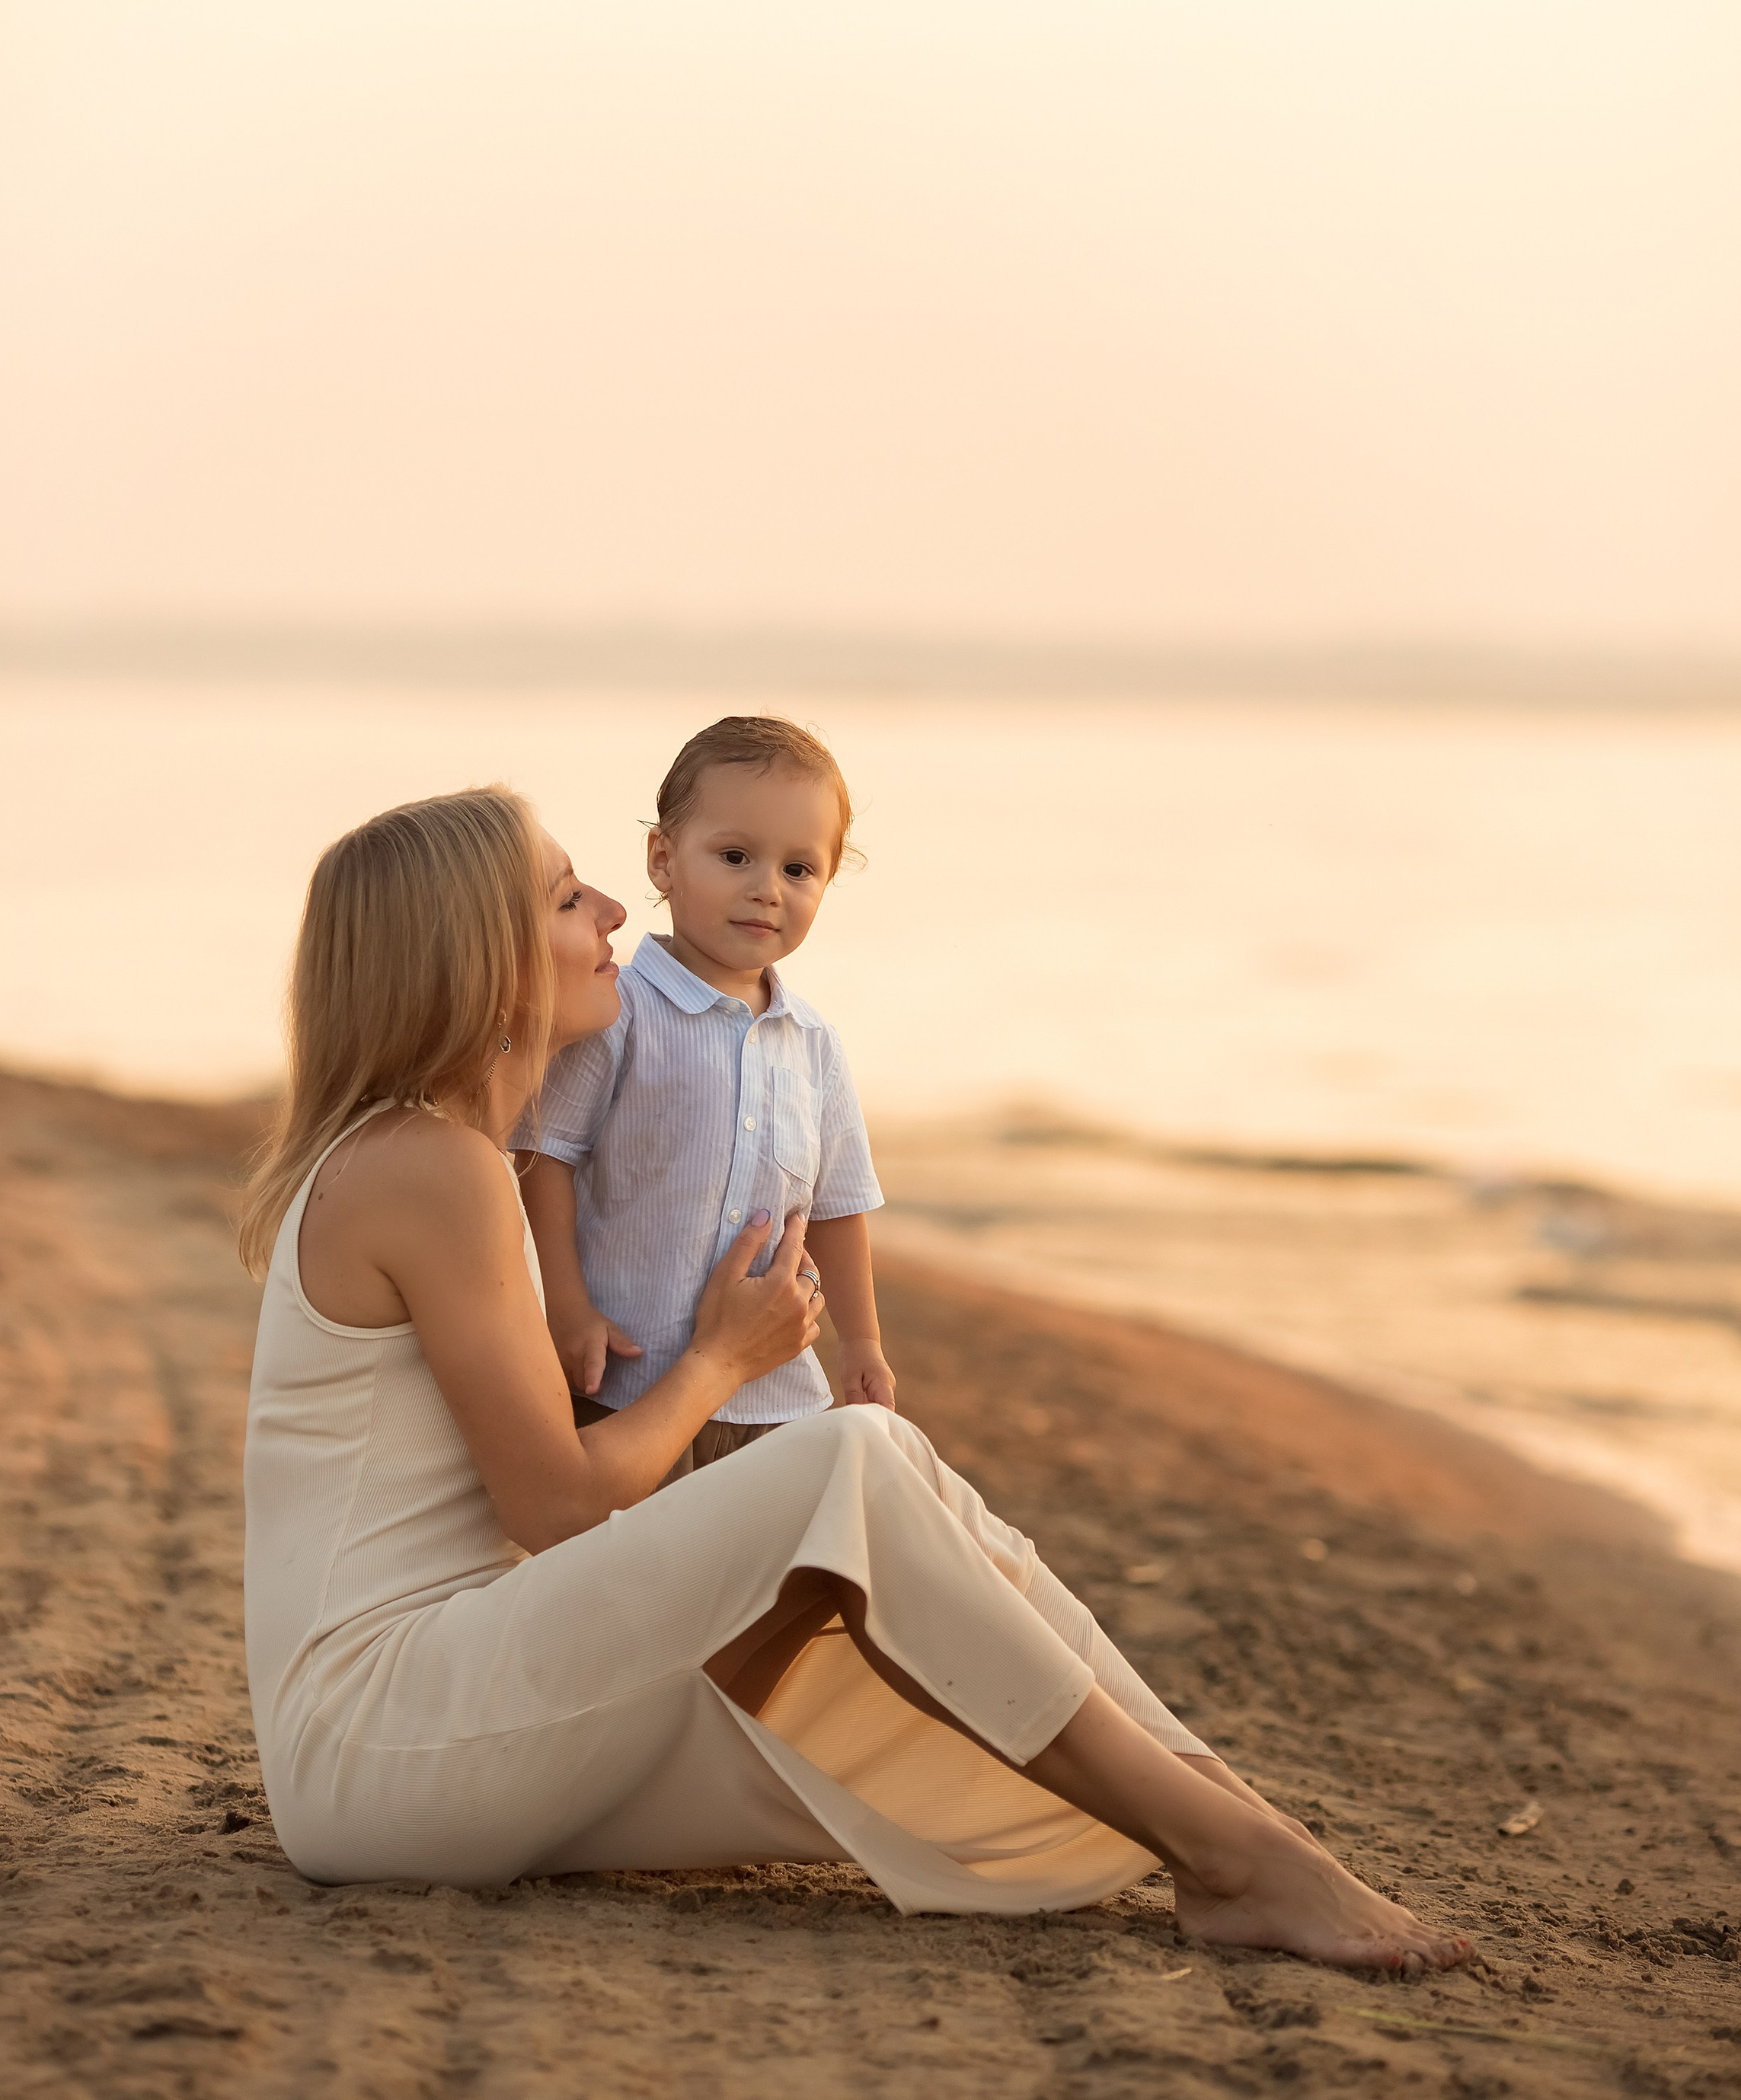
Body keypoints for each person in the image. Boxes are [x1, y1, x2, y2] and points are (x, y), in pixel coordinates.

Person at [239, 784, 1468, 1967]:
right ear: (478, 962)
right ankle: (1233, 1853)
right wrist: (723, 1354)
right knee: (849, 1456)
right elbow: (556, 1507)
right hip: (383, 1738)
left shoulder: (442, 1161)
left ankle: (1229, 1820)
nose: (615, 910)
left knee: (917, 1554)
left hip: (426, 1729)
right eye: (566, 898)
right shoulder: (427, 1167)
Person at [512, 713, 890, 1484]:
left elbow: (836, 1203)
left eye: (798, 869)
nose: (766, 890)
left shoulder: (813, 1044)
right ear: (663, 858)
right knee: (641, 1580)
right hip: (627, 1378)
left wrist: (861, 1343)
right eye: (735, 856)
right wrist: (566, 1303)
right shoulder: (619, 1013)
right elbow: (544, 1155)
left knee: (775, 1579)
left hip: (778, 1392)